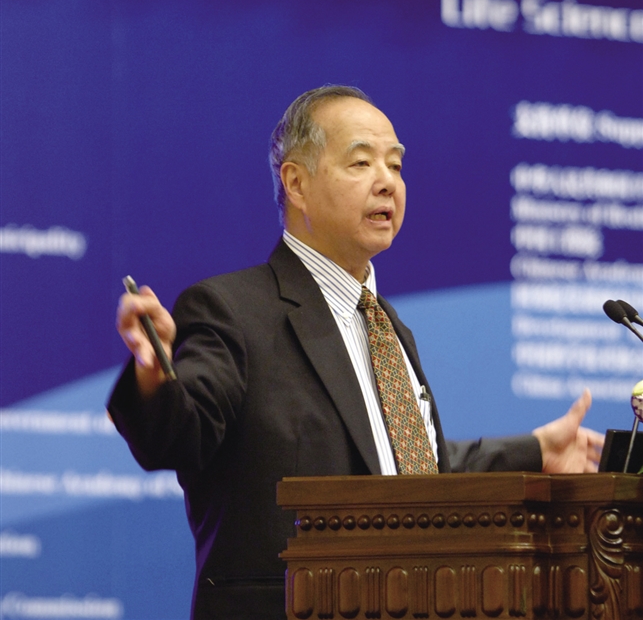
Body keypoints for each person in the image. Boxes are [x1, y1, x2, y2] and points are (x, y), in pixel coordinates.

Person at [109, 86, 603, 620]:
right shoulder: (231, 309)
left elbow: (409, 474)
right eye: (362, 162)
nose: (387, 181)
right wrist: (155, 373)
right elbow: (179, 435)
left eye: (396, 165)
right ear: (296, 183)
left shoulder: (389, 327)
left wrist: (536, 450)